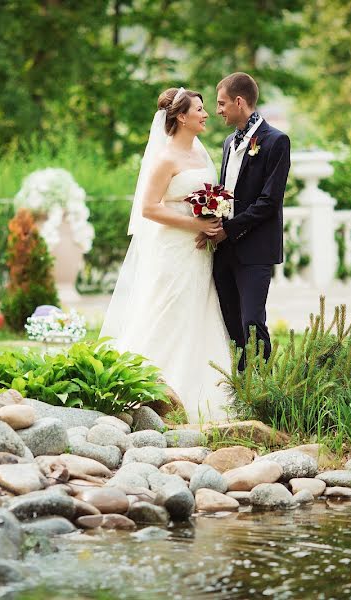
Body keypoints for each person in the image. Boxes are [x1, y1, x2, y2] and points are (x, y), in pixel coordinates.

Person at [100, 87, 233, 423]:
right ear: (180, 117)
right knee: (167, 310)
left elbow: (209, 197)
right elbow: (148, 208)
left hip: (200, 252)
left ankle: (202, 396)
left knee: (198, 312)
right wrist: (195, 225)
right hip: (172, 248)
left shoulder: (202, 156)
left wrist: (214, 222)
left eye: (205, 109)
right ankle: (146, 393)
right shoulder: (165, 158)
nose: (205, 115)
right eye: (199, 110)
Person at [198, 72, 291, 371]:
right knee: (232, 325)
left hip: (255, 250)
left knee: (252, 321)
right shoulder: (228, 143)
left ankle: (263, 386)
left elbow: (269, 202)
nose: (218, 110)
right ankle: (243, 387)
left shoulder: (277, 141)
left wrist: (228, 230)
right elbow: (228, 194)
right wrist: (211, 219)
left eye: (222, 103)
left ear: (240, 101)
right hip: (224, 252)